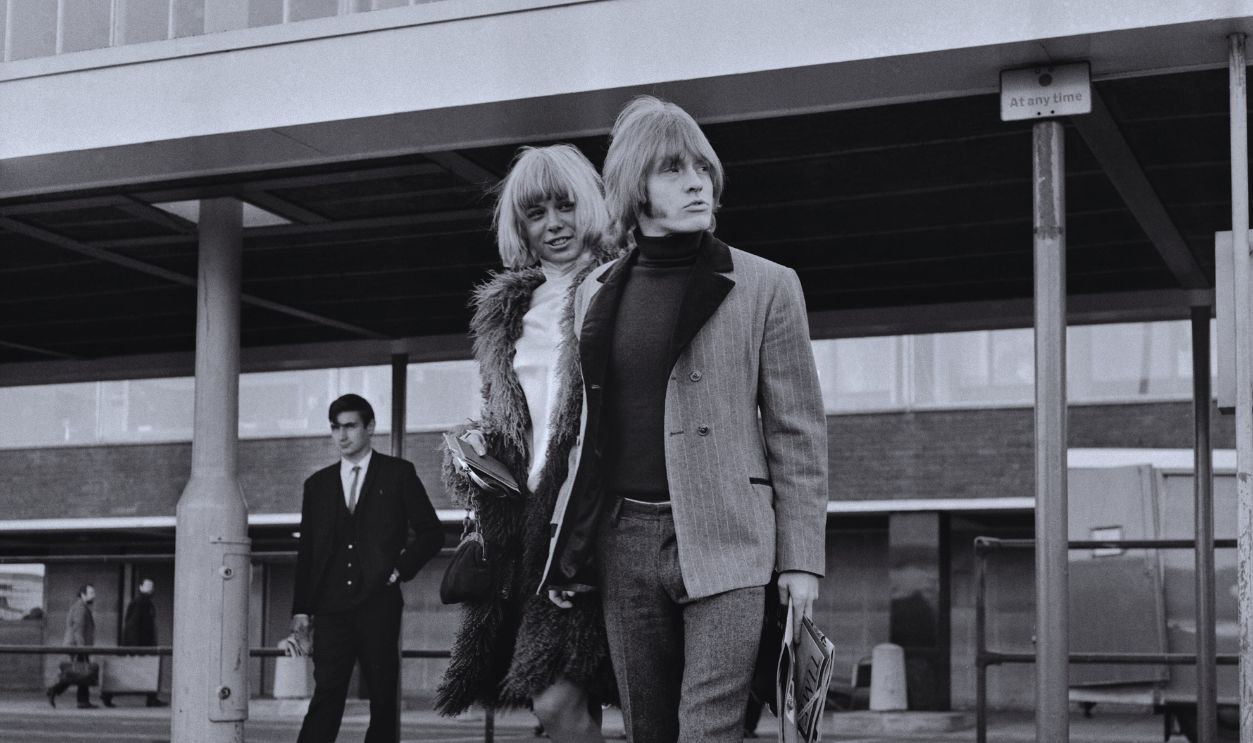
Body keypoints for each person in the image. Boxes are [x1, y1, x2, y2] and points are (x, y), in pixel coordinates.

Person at [542, 95, 829, 742]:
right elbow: (587, 428)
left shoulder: (767, 285)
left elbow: (798, 429)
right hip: (624, 540)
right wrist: (568, 547)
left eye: (701, 166)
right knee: (648, 728)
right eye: (672, 169)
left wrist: (801, 559)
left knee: (709, 729)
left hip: (731, 534)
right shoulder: (594, 290)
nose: (696, 180)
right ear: (633, 187)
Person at [435, 145, 618, 741]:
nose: (554, 224)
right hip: (525, 523)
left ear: (590, 204)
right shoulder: (506, 310)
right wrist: (473, 449)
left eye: (565, 205)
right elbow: (507, 414)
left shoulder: (626, 285)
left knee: (628, 697)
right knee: (557, 702)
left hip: (602, 514)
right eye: (536, 213)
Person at [289, 393, 445, 743]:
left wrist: (399, 569)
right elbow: (308, 552)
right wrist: (301, 609)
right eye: (335, 428)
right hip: (330, 608)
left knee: (383, 697)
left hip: (379, 604)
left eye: (350, 426)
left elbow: (432, 533)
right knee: (327, 693)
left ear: (369, 427)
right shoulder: (317, 485)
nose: (342, 436)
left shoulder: (398, 474)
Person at [105, 578, 165, 707]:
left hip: (141, 643)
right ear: (141, 587)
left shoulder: (142, 602)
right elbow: (133, 625)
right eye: (148, 586)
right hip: (140, 644)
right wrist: (134, 647)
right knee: (138, 670)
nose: (151, 589)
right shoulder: (141, 603)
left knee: (141, 670)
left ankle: (151, 697)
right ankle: (150, 698)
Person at [47, 584, 97, 709]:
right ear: (82, 594)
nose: (93, 595)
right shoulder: (80, 608)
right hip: (77, 646)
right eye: (91, 593)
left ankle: (81, 700)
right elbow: (78, 630)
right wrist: (83, 648)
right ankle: (79, 700)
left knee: (78, 673)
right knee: (79, 673)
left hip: (77, 646)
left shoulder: (81, 607)